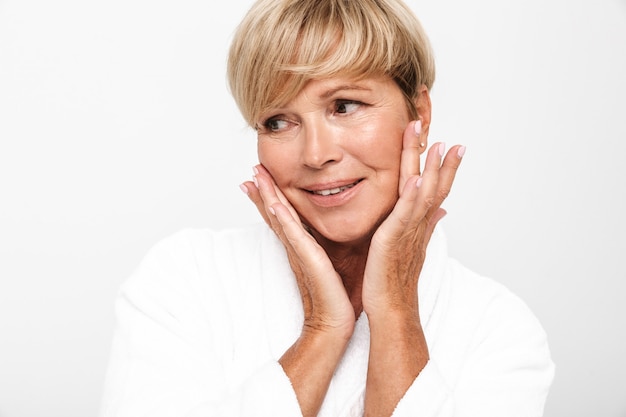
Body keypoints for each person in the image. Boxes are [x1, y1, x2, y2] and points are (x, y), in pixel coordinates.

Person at [100, 0, 554, 416]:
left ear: (419, 110)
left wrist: (394, 307)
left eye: (345, 105)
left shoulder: (498, 329)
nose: (316, 155)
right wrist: (323, 329)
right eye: (278, 121)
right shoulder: (185, 279)